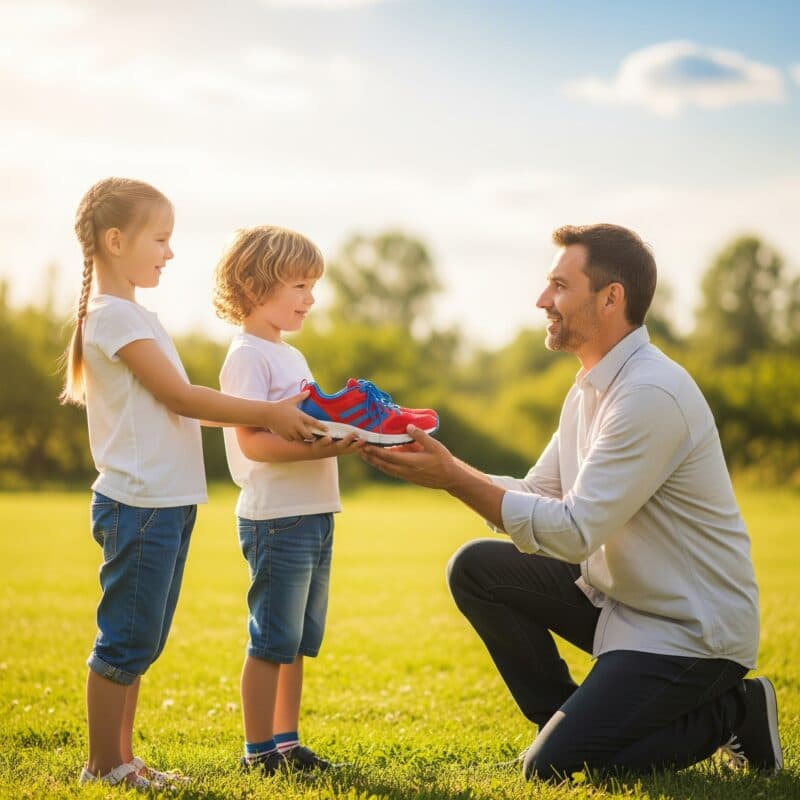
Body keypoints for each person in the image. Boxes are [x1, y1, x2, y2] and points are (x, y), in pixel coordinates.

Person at [360, 223, 783, 780]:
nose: (542, 300)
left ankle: (740, 708)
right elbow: (539, 494)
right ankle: (563, 724)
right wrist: (445, 467)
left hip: (691, 631)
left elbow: (574, 531)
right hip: (622, 603)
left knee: (566, 771)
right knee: (476, 568)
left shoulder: (649, 394)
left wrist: (451, 479)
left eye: (559, 286)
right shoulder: (589, 388)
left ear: (611, 298)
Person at [60, 178, 323, 790]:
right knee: (125, 641)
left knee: (142, 640)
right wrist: (267, 413)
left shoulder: (136, 316)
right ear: (116, 239)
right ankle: (105, 764)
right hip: (140, 505)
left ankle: (122, 759)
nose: (169, 253)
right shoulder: (113, 317)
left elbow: (184, 408)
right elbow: (180, 394)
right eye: (161, 239)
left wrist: (283, 411)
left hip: (166, 505)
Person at [214, 225, 364, 776]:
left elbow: (303, 422)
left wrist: (342, 426)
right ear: (255, 287)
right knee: (271, 640)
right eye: (298, 285)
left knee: (296, 641)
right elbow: (255, 443)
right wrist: (327, 445)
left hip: (315, 513)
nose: (310, 298)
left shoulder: (290, 354)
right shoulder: (248, 357)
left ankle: (285, 744)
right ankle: (259, 753)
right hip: (277, 519)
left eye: (312, 286)